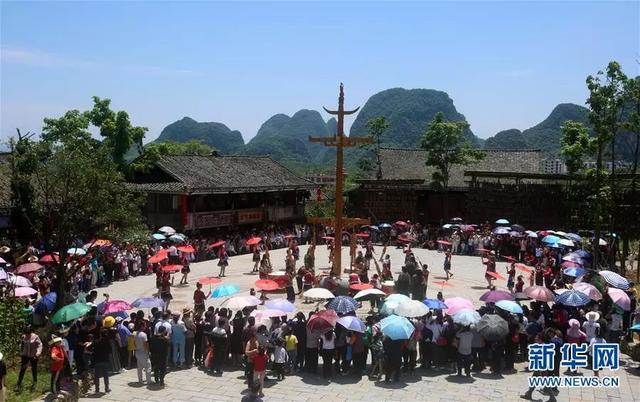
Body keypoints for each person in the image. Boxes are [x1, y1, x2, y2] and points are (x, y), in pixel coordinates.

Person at [16, 325, 42, 392]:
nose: (27, 335)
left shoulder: (36, 337)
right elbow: (21, 345)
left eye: (28, 334)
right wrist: (19, 346)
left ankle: (35, 381)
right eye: (26, 334)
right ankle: (18, 384)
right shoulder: (23, 337)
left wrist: (38, 353)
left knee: (34, 368)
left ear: (31, 332)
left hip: (34, 355)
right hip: (25, 355)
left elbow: (40, 345)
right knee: (23, 369)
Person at [93, 329, 112, 393]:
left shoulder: (95, 342)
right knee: (106, 375)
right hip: (105, 360)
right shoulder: (107, 341)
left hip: (97, 360)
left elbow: (91, 350)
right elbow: (110, 351)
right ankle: (107, 388)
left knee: (97, 376)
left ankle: (97, 389)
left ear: (100, 334)